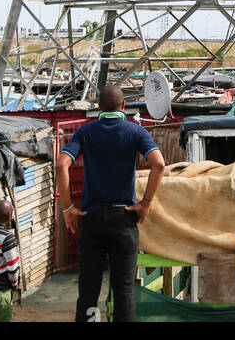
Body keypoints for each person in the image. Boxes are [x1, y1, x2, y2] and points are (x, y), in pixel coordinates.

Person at [56, 83, 166, 323]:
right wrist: (145, 203)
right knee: (124, 291)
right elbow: (159, 164)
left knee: (88, 293)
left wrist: (67, 209)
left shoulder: (85, 132)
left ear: (98, 107)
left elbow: (61, 165)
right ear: (124, 105)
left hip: (92, 221)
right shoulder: (136, 132)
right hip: (124, 220)